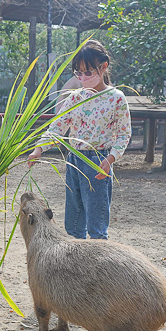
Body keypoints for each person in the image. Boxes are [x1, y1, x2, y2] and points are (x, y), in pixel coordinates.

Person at [26, 40, 131, 240]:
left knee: (97, 224)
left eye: (88, 72)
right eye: (78, 73)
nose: (83, 78)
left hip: (98, 161)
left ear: (103, 67)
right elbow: (58, 127)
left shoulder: (116, 98)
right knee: (73, 221)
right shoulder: (74, 98)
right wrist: (39, 148)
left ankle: (98, 268)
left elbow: (124, 134)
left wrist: (109, 160)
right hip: (73, 159)